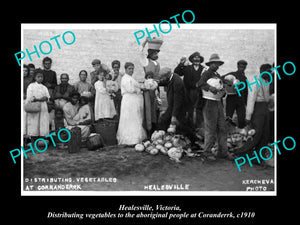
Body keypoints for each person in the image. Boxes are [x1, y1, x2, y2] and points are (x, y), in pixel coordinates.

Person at [233, 64, 271, 157]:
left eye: (270, 71)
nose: (269, 73)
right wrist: (248, 116)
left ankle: (259, 156)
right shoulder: (255, 82)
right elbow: (251, 99)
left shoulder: (267, 81)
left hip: (265, 109)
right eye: (268, 71)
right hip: (257, 109)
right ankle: (241, 153)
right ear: (262, 71)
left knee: (265, 134)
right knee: (255, 134)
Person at [197, 54, 228, 160]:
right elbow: (200, 83)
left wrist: (223, 91)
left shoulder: (217, 74)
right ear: (210, 64)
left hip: (218, 102)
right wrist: (210, 88)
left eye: (218, 64)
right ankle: (207, 152)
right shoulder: (206, 73)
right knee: (211, 128)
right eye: (215, 63)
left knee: (222, 127)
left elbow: (220, 87)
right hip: (209, 103)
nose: (217, 65)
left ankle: (223, 152)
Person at [157, 67, 198, 149]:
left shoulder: (177, 82)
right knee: (164, 120)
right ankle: (164, 140)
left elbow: (177, 100)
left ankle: (194, 141)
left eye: (162, 77)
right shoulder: (172, 77)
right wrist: (157, 83)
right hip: (173, 105)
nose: (162, 79)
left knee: (183, 125)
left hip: (181, 107)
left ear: (167, 75)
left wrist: (174, 115)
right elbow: (165, 82)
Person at [117, 62, 147, 146]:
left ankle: (136, 138)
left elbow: (136, 85)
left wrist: (142, 85)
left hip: (133, 100)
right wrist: (139, 90)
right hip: (128, 100)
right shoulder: (125, 78)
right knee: (129, 118)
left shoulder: (131, 78)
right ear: (125, 69)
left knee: (135, 117)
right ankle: (129, 140)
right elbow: (130, 89)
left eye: (132, 68)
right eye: (129, 68)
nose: (131, 70)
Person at [174, 52, 205, 129]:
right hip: (188, 91)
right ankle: (190, 127)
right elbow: (177, 73)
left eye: (198, 58)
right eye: (195, 58)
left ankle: (199, 127)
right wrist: (181, 64)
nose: (196, 59)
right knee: (189, 109)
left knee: (199, 110)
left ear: (200, 60)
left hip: (200, 92)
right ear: (192, 60)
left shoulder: (204, 69)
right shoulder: (187, 68)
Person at [140, 37, 163, 136]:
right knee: (148, 108)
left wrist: (157, 84)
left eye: (157, 53)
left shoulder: (157, 63)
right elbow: (140, 51)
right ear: (150, 53)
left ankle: (155, 129)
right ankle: (148, 130)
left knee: (156, 108)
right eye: (154, 53)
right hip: (148, 88)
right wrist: (145, 41)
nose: (156, 55)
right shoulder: (145, 61)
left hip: (155, 88)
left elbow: (158, 77)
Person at [25, 68, 50, 139]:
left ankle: (43, 137)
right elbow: (30, 97)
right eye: (38, 77)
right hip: (34, 106)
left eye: (41, 77)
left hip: (43, 106)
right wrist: (36, 99)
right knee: (34, 122)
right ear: (35, 77)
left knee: (43, 121)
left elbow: (47, 97)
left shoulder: (44, 87)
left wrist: (38, 99)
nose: (40, 78)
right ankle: (33, 138)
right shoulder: (31, 86)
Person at [223, 60, 248, 129]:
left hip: (241, 101)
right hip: (231, 99)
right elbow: (222, 79)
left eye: (243, 67)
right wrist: (229, 84)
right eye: (240, 67)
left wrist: (245, 102)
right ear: (237, 66)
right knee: (228, 118)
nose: (242, 68)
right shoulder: (232, 74)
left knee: (241, 119)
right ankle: (227, 134)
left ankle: (240, 135)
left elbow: (246, 91)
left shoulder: (245, 78)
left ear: (245, 67)